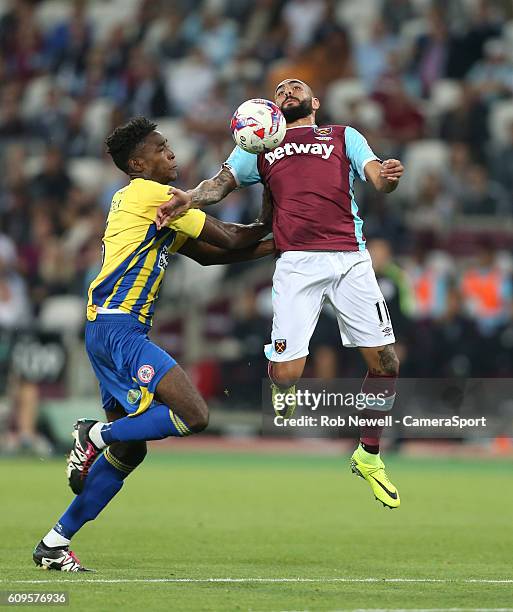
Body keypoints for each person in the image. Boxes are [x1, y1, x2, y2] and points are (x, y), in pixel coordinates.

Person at [33, 117, 274, 572]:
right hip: (119, 329)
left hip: (106, 330)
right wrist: (276, 214)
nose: (173, 155)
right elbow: (231, 235)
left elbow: (212, 254)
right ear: (138, 164)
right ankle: (93, 435)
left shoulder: (152, 206)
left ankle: (53, 542)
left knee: (131, 450)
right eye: (162, 150)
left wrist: (279, 244)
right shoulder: (151, 194)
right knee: (195, 414)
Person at [157, 79, 405, 510]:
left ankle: (368, 453)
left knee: (386, 362)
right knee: (289, 373)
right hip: (297, 264)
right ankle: (281, 386)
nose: (287, 89)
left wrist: (386, 178)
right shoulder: (259, 140)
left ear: (316, 100)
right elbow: (220, 185)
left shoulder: (343, 136)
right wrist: (190, 198)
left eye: (297, 86)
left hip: (350, 257)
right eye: (280, 89)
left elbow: (377, 178)